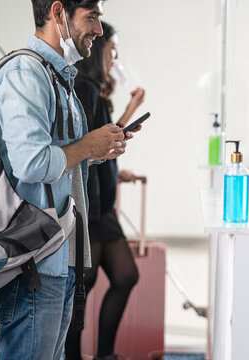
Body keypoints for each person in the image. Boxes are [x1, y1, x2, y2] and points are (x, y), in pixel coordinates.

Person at [0, 1, 138, 358]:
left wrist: (97, 151)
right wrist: (86, 145)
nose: (99, 30)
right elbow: (31, 162)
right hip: (34, 263)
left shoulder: (59, 77)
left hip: (59, 259)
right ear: (58, 13)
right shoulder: (26, 72)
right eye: (92, 17)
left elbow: (59, 163)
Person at [64, 21, 144, 360]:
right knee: (84, 285)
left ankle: (103, 354)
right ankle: (74, 355)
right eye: (111, 49)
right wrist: (130, 112)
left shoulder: (92, 89)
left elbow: (101, 146)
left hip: (102, 208)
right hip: (91, 210)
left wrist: (115, 170)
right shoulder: (83, 87)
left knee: (124, 276)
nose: (115, 57)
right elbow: (90, 146)